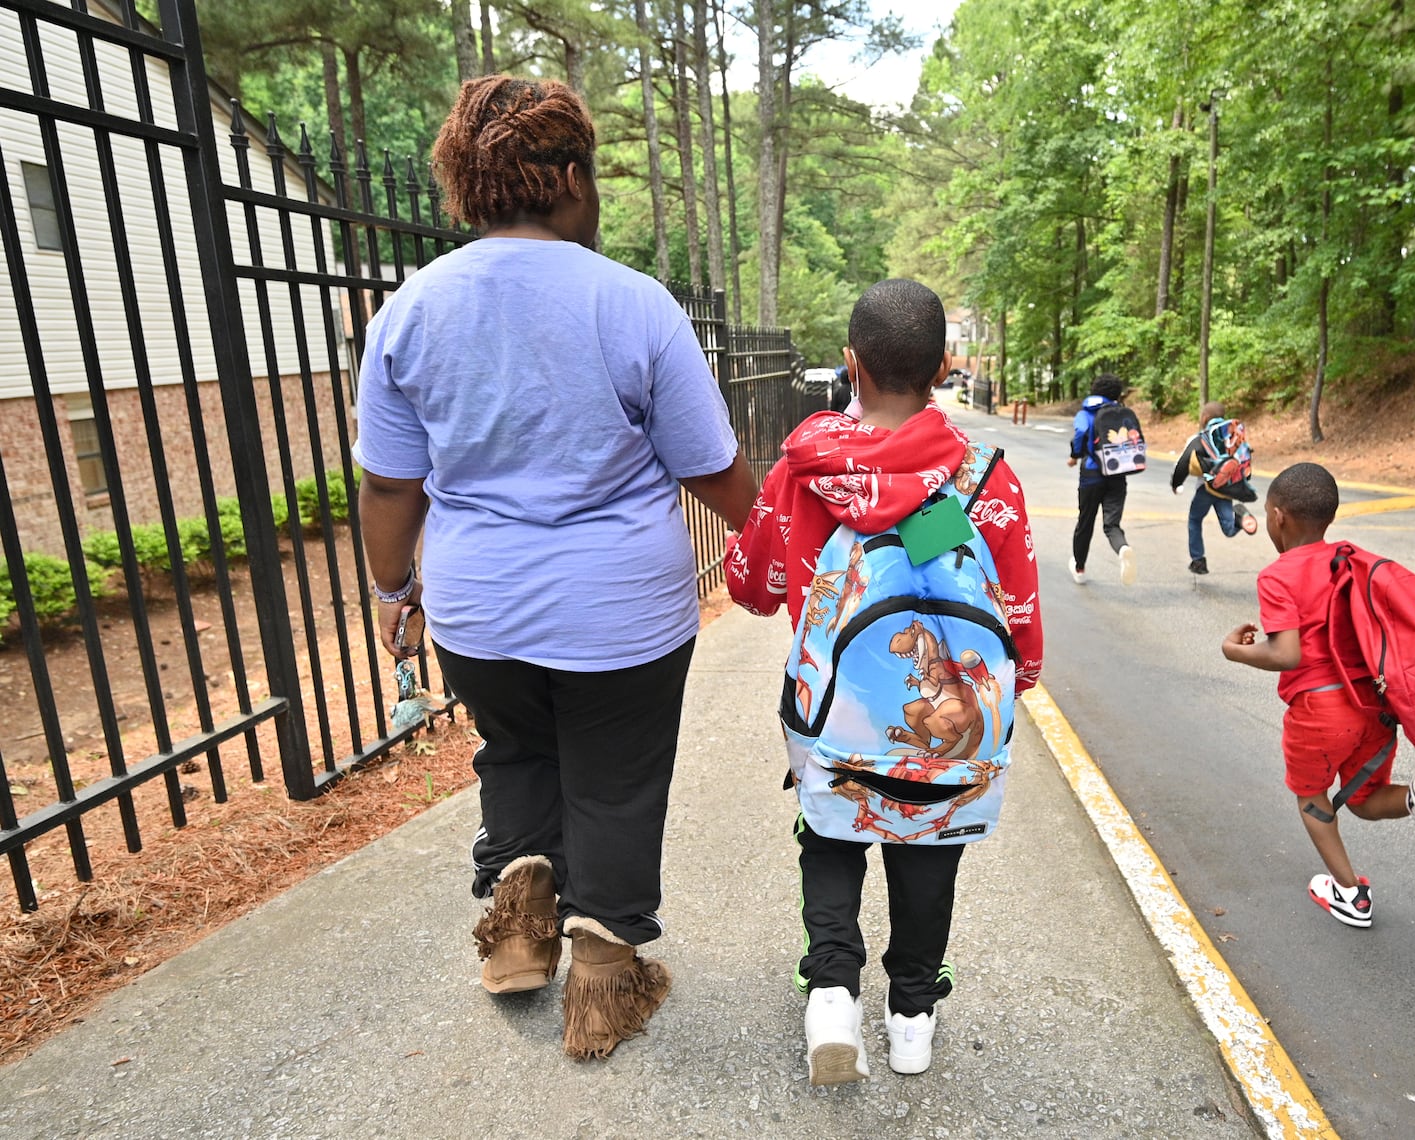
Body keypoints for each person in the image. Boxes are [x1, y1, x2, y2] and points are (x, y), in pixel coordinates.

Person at [351, 76, 757, 1058]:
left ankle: (520, 934)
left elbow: (390, 488)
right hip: (620, 612)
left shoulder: (410, 313)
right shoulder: (633, 305)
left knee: (516, 753)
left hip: (481, 611)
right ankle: (604, 982)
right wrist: (786, 546)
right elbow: (713, 470)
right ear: (571, 177)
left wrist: (393, 590)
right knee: (616, 784)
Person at [725, 279, 1043, 1083]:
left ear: (851, 364)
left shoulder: (805, 469)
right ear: (942, 367)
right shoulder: (985, 477)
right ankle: (911, 1015)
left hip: (831, 712)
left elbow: (751, 585)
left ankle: (831, 993)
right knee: (930, 842)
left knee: (829, 834)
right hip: (947, 722)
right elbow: (1020, 621)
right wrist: (1018, 680)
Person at [1219, 462, 1415, 928]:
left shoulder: (1277, 575)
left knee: (1311, 798)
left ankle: (1351, 895)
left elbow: (1286, 654)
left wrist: (1234, 651)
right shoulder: (1351, 556)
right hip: (1377, 708)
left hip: (1321, 711)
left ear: (1278, 517)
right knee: (1362, 798)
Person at [1171, 401, 1257, 575]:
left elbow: (1184, 462)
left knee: (1195, 520)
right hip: (1228, 489)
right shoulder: (1232, 437)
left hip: (1206, 488)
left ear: (1204, 418)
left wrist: (1176, 483)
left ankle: (1198, 560)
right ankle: (1241, 518)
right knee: (1228, 529)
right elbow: (1244, 462)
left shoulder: (1201, 438)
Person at [1067, 374, 1137, 585]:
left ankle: (1079, 568)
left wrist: (1075, 455)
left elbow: (1081, 431)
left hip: (1091, 475)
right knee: (1112, 524)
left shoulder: (1085, 413)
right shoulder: (1122, 414)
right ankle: (1122, 547)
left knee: (1085, 521)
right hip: (1117, 474)